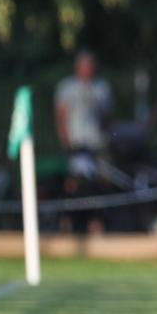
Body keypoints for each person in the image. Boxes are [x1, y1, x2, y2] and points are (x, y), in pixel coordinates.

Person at [54, 49, 113, 233]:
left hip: (97, 145)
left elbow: (107, 118)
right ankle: (68, 221)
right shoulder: (67, 87)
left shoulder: (101, 88)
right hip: (75, 146)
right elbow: (60, 117)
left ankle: (97, 221)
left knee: (101, 182)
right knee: (73, 183)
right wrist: (66, 143)